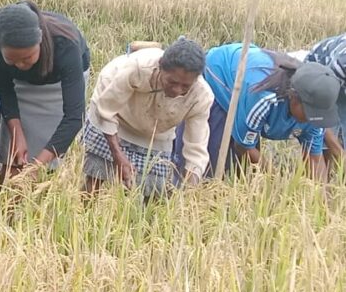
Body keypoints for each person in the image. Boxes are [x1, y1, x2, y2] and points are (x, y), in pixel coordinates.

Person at [175, 42, 339, 179]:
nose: (313, 120)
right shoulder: (264, 98)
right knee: (213, 167)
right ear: (294, 98)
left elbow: (314, 159)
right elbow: (244, 147)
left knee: (247, 173)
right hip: (221, 76)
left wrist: (321, 200)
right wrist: (276, 181)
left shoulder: (316, 118)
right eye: (310, 113)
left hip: (247, 92)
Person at [82, 39, 213, 197]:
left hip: (155, 133)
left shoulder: (201, 96)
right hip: (116, 116)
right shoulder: (137, 68)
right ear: (160, 66)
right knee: (96, 175)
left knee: (152, 192)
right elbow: (106, 111)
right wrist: (118, 155)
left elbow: (196, 147)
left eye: (185, 86)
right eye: (172, 82)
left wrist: (190, 191)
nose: (177, 90)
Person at [0, 0, 90, 182]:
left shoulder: (65, 44)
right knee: (11, 156)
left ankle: (41, 190)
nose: (20, 65)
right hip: (18, 85)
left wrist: (37, 166)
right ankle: (5, 197)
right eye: (12, 60)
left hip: (56, 86)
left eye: (27, 57)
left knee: (45, 160)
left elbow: (74, 116)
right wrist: (16, 133)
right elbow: (4, 89)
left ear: (40, 41)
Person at [303, 34, 346, 170]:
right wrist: (340, 153)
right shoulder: (340, 65)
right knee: (321, 137)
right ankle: (319, 176)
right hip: (321, 71)